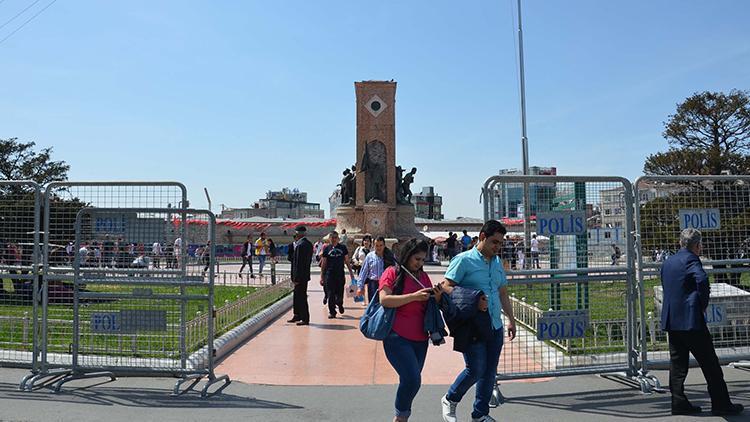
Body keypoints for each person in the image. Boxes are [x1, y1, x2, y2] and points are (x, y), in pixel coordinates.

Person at [660, 228, 744, 416]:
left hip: (672, 321)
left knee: (677, 364)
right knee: (710, 363)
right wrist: (701, 304)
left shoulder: (668, 262)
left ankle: (678, 401)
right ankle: (721, 403)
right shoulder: (691, 260)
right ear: (697, 245)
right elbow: (702, 280)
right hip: (691, 321)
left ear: (680, 243)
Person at [441, 220, 516, 422]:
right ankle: (450, 398)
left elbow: (502, 292)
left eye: (500, 243)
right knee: (475, 370)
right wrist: (473, 298)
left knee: (489, 372)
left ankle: (480, 414)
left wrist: (511, 319)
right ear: (482, 237)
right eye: (494, 242)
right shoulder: (463, 260)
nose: (497, 247)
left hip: (494, 324)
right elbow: (445, 287)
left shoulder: (497, 262)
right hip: (472, 325)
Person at [379, 238, 443, 422]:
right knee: (413, 379)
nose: (420, 263)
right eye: (417, 259)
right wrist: (413, 297)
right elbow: (384, 300)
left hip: (420, 338)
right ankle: (400, 416)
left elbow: (429, 303)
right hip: (396, 336)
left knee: (411, 380)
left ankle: (402, 415)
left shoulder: (423, 277)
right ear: (407, 256)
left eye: (423, 259)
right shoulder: (392, 272)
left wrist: (436, 297)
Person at [319, 231, 354, 318]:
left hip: (340, 274)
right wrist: (322, 276)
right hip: (330, 274)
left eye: (335, 237)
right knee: (330, 293)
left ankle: (340, 303)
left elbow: (347, 261)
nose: (334, 239)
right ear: (329, 239)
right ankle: (332, 312)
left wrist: (351, 273)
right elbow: (324, 263)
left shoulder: (343, 248)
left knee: (340, 292)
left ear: (338, 238)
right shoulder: (327, 249)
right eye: (332, 237)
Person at [288, 226, 313, 326]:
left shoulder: (301, 245)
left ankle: (304, 318)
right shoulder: (308, 244)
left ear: (298, 233)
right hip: (304, 275)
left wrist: (296, 278)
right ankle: (297, 314)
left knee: (301, 296)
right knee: (297, 296)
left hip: (300, 276)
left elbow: (298, 263)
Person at [356, 236, 388, 303]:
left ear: (384, 245)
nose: (379, 247)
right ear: (373, 246)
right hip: (373, 284)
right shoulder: (369, 256)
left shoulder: (389, 256)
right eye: (376, 245)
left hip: (385, 284)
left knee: (384, 304)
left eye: (381, 245)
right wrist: (360, 287)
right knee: (373, 304)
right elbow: (363, 272)